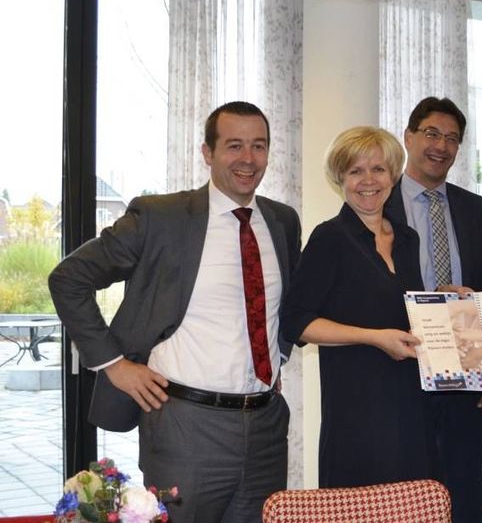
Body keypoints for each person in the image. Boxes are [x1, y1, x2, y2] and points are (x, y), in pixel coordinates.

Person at [49, 101, 301, 522]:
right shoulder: (160, 218)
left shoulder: (282, 221)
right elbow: (68, 278)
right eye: (234, 145)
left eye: (258, 146)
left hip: (266, 428)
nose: (248, 158)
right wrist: (114, 365)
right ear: (208, 152)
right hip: (186, 426)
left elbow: (291, 303)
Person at [280, 126, 436, 487]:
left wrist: (446, 302)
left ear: (394, 175)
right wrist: (373, 338)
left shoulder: (407, 239)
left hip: (411, 405)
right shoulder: (329, 238)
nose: (368, 181)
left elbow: (407, 311)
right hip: (356, 410)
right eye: (356, 171)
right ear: (341, 179)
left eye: (378, 169)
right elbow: (296, 322)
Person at [383, 97, 482, 522]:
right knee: (405, 500)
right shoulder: (380, 202)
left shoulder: (474, 208)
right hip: (401, 376)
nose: (442, 146)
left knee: (464, 496)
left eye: (452, 139)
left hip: (466, 383)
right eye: (432, 134)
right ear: (409, 136)